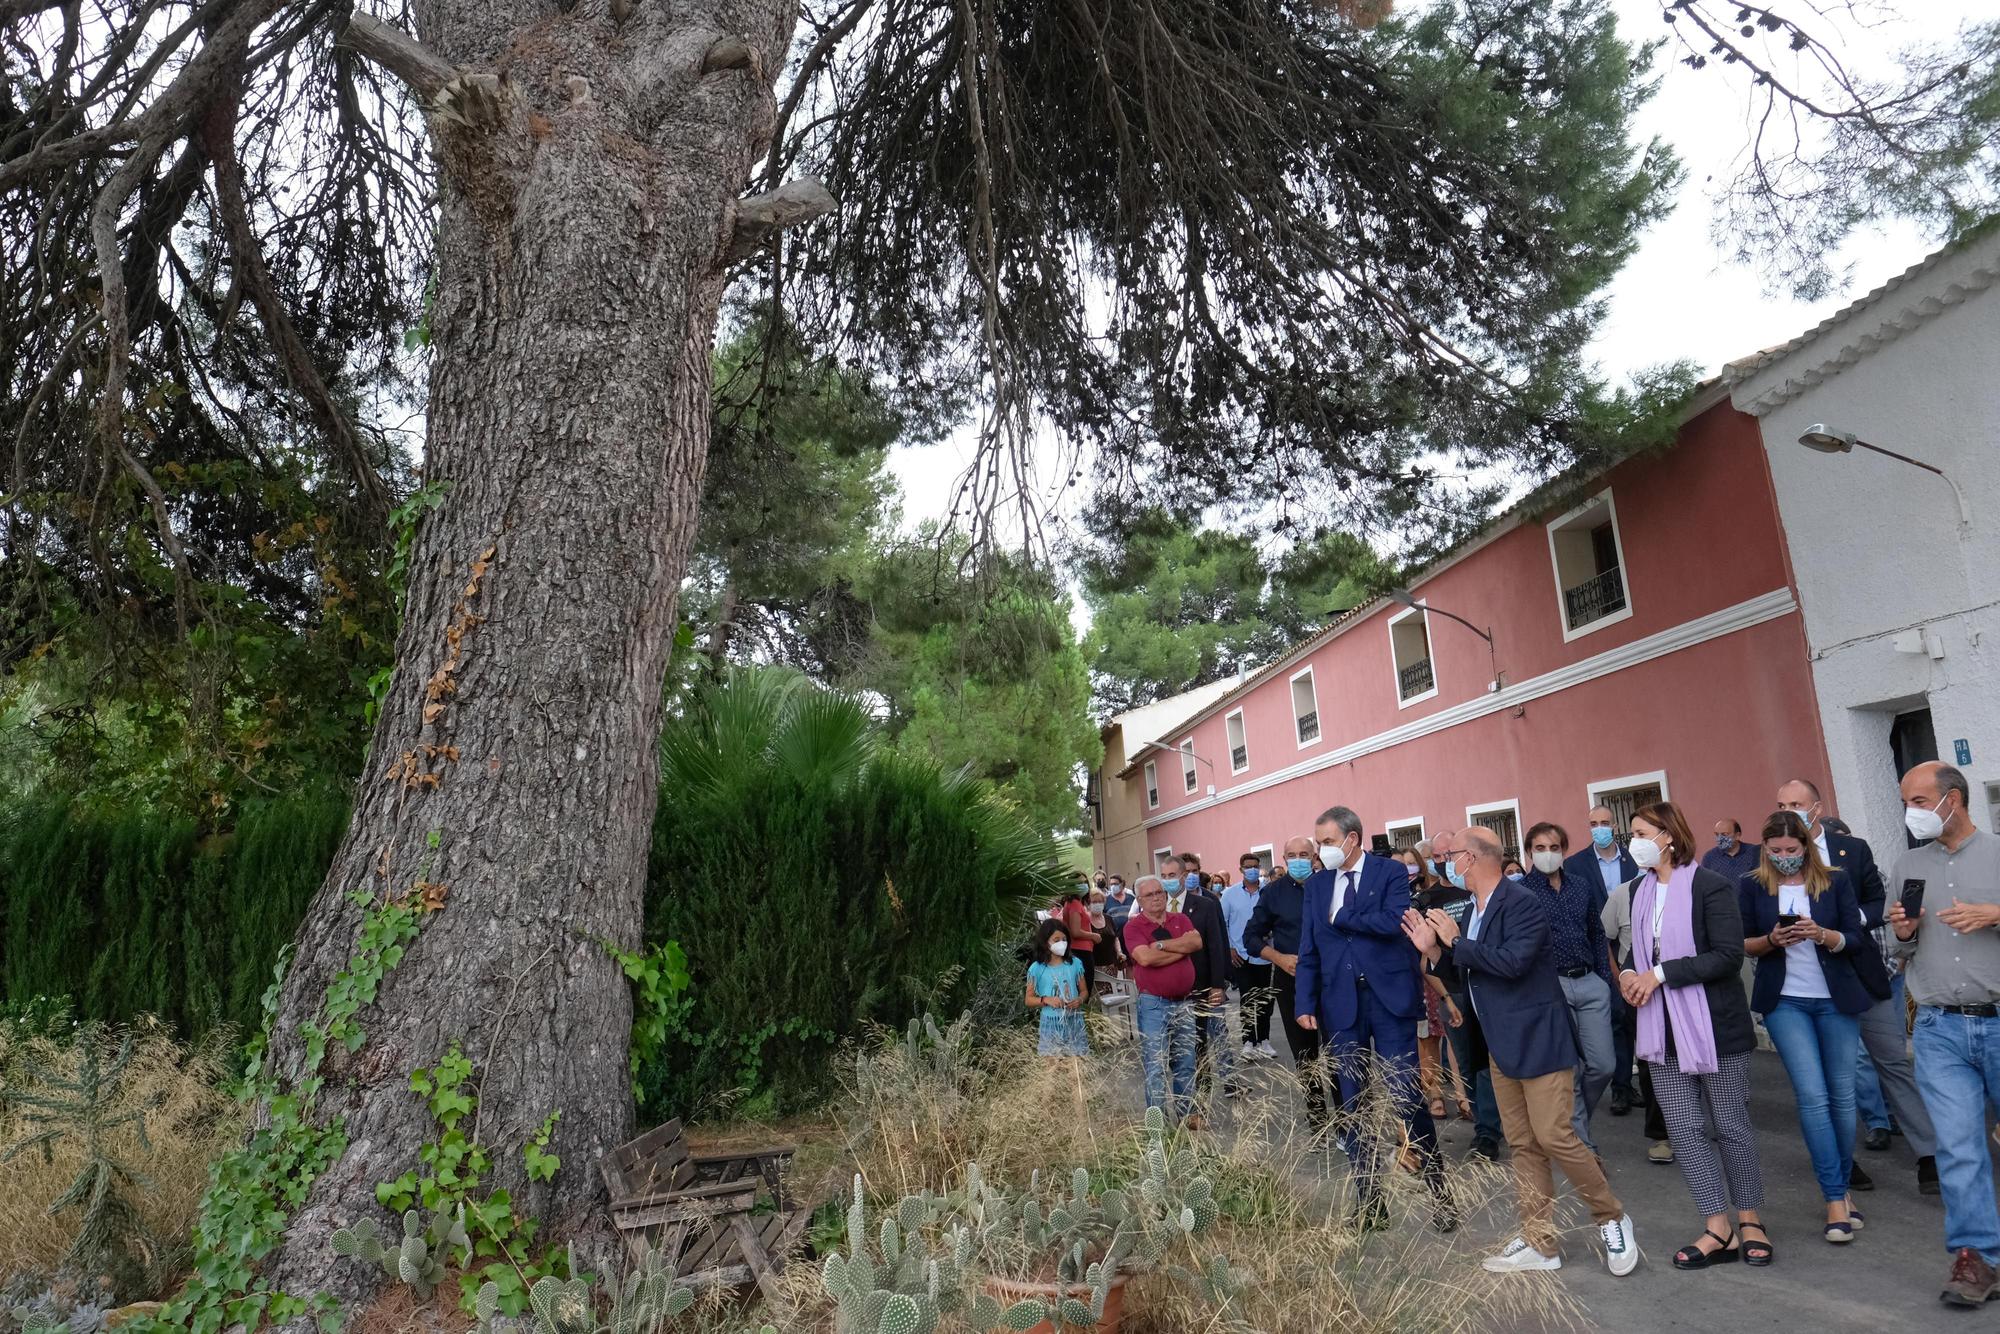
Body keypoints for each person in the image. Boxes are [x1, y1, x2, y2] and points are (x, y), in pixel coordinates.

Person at [1404, 826, 1639, 1277]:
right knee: (1525, 1145)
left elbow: (1512, 963)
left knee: (1556, 1137)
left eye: (1452, 854)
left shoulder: (1522, 903)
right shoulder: (1475, 909)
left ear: (1471, 858)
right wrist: (1435, 952)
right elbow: (1472, 970)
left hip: (1540, 1039)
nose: (1446, 862)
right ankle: (1540, 1241)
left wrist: (1455, 942)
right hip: (1500, 1042)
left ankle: (1612, 1217)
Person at [1619, 800, 1767, 1271]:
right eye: (1633, 834)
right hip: (1659, 1032)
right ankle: (1716, 1226)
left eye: (1642, 833)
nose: (1634, 842)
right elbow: (1629, 950)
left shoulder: (1711, 886)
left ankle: (1750, 1219)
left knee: (1730, 1126)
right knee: (1684, 1130)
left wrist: (1659, 975)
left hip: (1714, 1027)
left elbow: (1726, 956)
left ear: (1667, 836)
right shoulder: (1637, 892)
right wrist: (1627, 975)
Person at [1295, 805, 1455, 1232]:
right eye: (1318, 844)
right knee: (1352, 1104)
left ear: (1352, 839)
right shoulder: (1316, 886)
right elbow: (1310, 947)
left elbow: (1393, 923)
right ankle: (1371, 1203)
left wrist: (1344, 916)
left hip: (1388, 1002)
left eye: (1327, 842)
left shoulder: (1388, 874)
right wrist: (1304, 1002)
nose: (1321, 851)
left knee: (1405, 1095)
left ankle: (1440, 1193)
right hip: (1340, 1006)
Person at [1778, 777, 1937, 1196]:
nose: (1789, 809)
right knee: (1830, 1081)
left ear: (1816, 806)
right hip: (1806, 984)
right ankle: (1843, 1164)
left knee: (1892, 1062)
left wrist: (1847, 925)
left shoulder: (1853, 849)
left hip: (1860, 974)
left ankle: (1930, 1157)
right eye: (1782, 803)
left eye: (1797, 802)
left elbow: (1877, 902)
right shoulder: (1774, 855)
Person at [1886, 762, 2000, 1308]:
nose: (1910, 810)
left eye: (1918, 799)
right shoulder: (1908, 863)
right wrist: (1903, 934)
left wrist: (1995, 913)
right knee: (1958, 1149)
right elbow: (1901, 947)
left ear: (1953, 800)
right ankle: (1978, 1260)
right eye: (1906, 800)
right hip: (1939, 1029)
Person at [1740, 811, 1870, 1246]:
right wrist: (1770, 941)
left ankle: (1843, 1188)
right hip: (1785, 1002)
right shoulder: (1752, 885)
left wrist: (1824, 935)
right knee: (1813, 1097)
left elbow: (1855, 936)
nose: (1783, 859)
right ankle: (1834, 1198)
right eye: (1775, 852)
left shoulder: (1834, 880)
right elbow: (1740, 942)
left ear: (1805, 847)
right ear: (1765, 849)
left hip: (1837, 1000)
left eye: (1791, 851)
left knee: (1842, 1097)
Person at [1523, 821, 1617, 1155]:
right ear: (1529, 852)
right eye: (1540, 848)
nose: (1548, 855)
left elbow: (1596, 931)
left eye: (1554, 848)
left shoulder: (1580, 886)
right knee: (1571, 1070)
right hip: (1552, 986)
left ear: (1564, 850)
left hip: (1590, 982)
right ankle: (1583, 1146)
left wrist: (1605, 980)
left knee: (1603, 1064)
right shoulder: (1521, 892)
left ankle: (1569, 1129)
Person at [1413, 835, 1504, 1156]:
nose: (1444, 861)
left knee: (1499, 1062)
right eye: (1438, 856)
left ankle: (1508, 1123)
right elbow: (1427, 957)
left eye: (1448, 854)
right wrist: (1448, 997)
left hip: (1492, 988)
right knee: (1471, 1064)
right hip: (1453, 989)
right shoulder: (1424, 900)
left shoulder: (1480, 893)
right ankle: (1486, 1131)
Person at [1245, 836, 1332, 1135]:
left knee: (1339, 1051)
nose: (1298, 859)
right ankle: (1318, 1119)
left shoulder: (1332, 885)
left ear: (1315, 857)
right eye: (1292, 854)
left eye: (1304, 854)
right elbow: (1251, 937)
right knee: (1305, 1055)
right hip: (1291, 981)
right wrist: (1278, 958)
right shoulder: (1273, 893)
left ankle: (1350, 1121)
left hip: (1333, 981)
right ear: (1283, 857)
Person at [1122, 876, 1203, 1124]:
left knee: (1186, 1062)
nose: (1157, 897)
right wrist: (1180, 951)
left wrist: (1159, 946)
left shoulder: (1180, 919)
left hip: (1184, 1002)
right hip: (1153, 1004)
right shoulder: (1133, 927)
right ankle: (1157, 1121)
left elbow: (1196, 942)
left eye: (1159, 892)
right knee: (1156, 1065)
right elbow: (1145, 959)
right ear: (1139, 900)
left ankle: (1187, 1113)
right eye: (1150, 894)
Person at [1602, 868, 1669, 1159]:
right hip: (1640, 991)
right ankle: (1661, 1136)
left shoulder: (1694, 886)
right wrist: (1620, 977)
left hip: (1686, 986)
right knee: (1649, 1062)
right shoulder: (1624, 893)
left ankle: (1695, 1125)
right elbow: (1603, 937)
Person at [1161, 856, 1236, 1109]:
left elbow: (1216, 946)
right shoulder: (1158, 906)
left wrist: (1218, 985)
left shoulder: (1204, 905)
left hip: (1202, 986)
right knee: (1179, 1047)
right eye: (1164, 875)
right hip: (1170, 989)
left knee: (1201, 1044)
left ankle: (1201, 1101)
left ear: (1183, 877)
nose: (1168, 880)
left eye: (1173, 875)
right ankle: (1185, 1099)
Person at [1222, 854, 1276, 1059]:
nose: (1252, 870)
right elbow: (1223, 923)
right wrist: (1229, 948)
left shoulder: (1268, 892)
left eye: (1255, 866)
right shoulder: (1230, 895)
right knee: (1247, 999)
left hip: (1264, 953)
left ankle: (1264, 1040)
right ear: (1241, 869)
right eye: (1248, 867)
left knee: (1264, 1000)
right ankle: (1248, 1042)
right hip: (1240, 955)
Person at [1027, 918, 1090, 1058]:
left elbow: (1084, 991)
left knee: (1075, 1068)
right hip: (1050, 1024)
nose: (1061, 943)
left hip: (1074, 1021)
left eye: (1064, 939)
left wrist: (1079, 1000)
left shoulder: (1075, 963)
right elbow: (1028, 1000)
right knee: (1051, 1069)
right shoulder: (1037, 969)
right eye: (1056, 940)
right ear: (1045, 942)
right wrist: (1045, 999)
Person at [1049, 880, 1100, 998]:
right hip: (1081, 951)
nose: (1083, 885)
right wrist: (1093, 936)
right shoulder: (1075, 904)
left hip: (1078, 950)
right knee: (1084, 989)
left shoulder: (1072, 903)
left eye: (1084, 882)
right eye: (1078, 882)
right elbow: (1075, 932)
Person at [1702, 820, 1761, 884]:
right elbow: (1704, 883)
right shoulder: (1710, 857)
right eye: (1716, 834)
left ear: (1737, 835)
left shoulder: (1754, 852)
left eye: (1724, 834)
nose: (1719, 838)